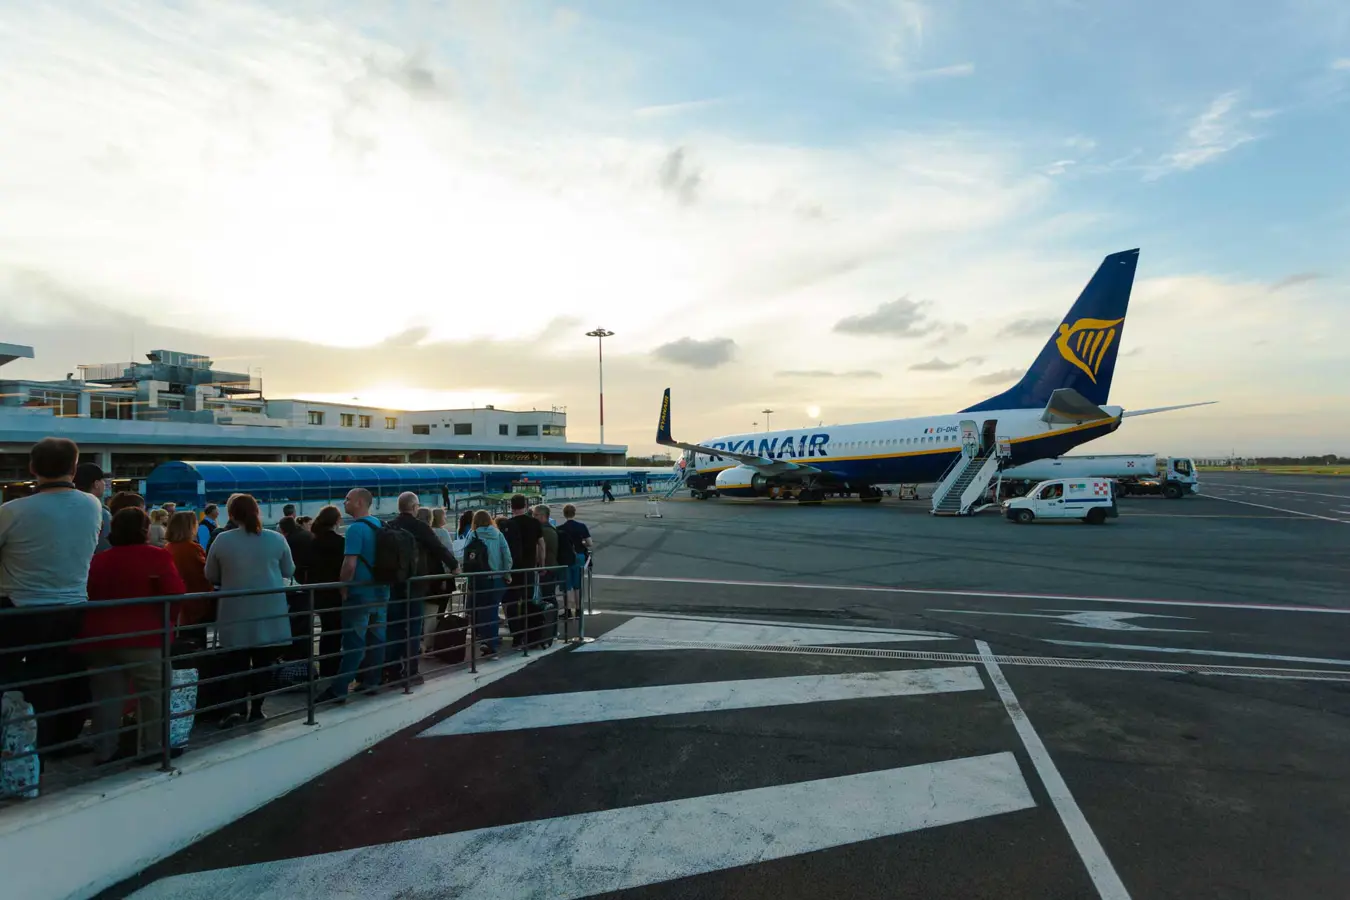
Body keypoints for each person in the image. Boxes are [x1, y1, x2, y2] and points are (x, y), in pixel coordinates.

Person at [0, 438, 103, 758]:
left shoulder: (12, 511)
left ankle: (23, 744)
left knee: (18, 681)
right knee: (60, 674)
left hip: (20, 609)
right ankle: (55, 741)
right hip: (73, 608)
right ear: (74, 468)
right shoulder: (92, 505)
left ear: (32, 468)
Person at [81, 507, 186, 764]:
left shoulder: (99, 559)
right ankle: (152, 747)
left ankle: (105, 750)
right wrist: (168, 623)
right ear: (144, 529)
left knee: (107, 697)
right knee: (154, 692)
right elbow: (175, 594)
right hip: (144, 636)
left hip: (100, 638)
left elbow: (88, 593)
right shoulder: (157, 557)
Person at [204, 494, 295, 727]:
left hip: (234, 612)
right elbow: (289, 570)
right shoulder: (276, 538)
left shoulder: (222, 540)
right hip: (270, 612)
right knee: (264, 664)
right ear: (258, 512)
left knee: (236, 664)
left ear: (231, 514)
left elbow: (211, 575)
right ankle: (257, 709)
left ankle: (235, 709)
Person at [315, 488, 389, 705]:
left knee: (354, 643)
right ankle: (372, 681)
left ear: (358, 502)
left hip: (359, 593)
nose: (344, 503)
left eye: (347, 499)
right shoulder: (380, 525)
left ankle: (339, 689)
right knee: (377, 640)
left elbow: (350, 563)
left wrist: (343, 586)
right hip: (381, 591)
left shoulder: (355, 529)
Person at [386, 493, 459, 685]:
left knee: (393, 628)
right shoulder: (420, 527)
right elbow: (438, 548)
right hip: (416, 584)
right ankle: (410, 672)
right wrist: (454, 566)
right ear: (415, 507)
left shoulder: (389, 525)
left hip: (393, 583)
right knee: (413, 629)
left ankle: (391, 670)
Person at [304, 506, 346, 680]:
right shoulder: (340, 542)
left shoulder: (313, 541)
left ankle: (326, 667)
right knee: (336, 631)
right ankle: (334, 668)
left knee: (326, 631)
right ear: (336, 521)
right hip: (336, 591)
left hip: (318, 591)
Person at [464, 509, 511, 658]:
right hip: (497, 578)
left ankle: (486, 639)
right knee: (492, 609)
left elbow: (465, 557)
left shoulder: (473, 535)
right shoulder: (498, 534)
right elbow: (507, 556)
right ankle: (491, 641)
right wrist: (507, 573)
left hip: (480, 578)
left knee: (483, 610)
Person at [501, 494, 544, 646]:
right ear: (525, 506)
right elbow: (541, 544)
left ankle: (516, 634)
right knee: (527, 601)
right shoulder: (534, 523)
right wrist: (541, 564)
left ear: (511, 507)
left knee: (511, 602)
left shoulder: (507, 524)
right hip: (529, 568)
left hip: (513, 569)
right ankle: (530, 633)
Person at [165, 511, 214, 632]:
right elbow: (205, 574)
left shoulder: (167, 548)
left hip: (177, 605)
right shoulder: (192, 548)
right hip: (195, 603)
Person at [277, 515, 316, 660]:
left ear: (283, 529)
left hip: (295, 584)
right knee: (306, 623)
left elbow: (286, 567)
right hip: (309, 582)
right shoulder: (307, 535)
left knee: (294, 622)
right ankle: (306, 656)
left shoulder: (287, 541)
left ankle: (293, 656)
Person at [556, 504, 593, 616]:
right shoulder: (581, 526)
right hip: (579, 556)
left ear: (564, 514)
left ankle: (567, 610)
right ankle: (578, 609)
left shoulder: (560, 529)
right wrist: (582, 543)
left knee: (567, 585)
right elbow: (590, 543)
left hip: (565, 558)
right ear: (574, 513)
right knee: (577, 584)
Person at [75, 460, 112, 553]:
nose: (104, 484)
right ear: (96, 484)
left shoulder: (68, 508)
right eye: (102, 480)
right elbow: (106, 545)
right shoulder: (101, 513)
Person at [534, 505, 560, 605]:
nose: (534, 517)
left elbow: (541, 549)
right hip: (550, 566)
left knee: (547, 595)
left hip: (547, 568)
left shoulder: (545, 531)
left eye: (536, 515)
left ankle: (551, 618)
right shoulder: (550, 529)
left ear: (543, 516)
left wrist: (542, 566)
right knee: (548, 595)